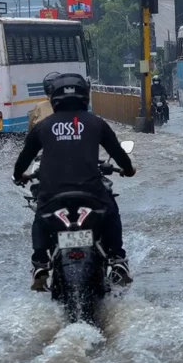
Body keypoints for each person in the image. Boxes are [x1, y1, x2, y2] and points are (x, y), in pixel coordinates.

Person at [12, 73, 136, 291]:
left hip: (52, 197)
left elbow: (23, 160)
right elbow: (118, 154)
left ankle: (40, 263)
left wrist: (19, 176)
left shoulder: (43, 126)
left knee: (40, 217)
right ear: (85, 96)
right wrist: (128, 170)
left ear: (53, 97)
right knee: (112, 212)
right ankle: (118, 259)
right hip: (92, 194)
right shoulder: (97, 123)